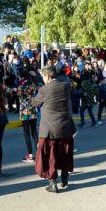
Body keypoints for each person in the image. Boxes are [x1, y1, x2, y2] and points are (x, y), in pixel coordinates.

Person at [32, 65, 74, 193]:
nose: (43, 78)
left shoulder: (44, 89)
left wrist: (31, 96)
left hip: (49, 127)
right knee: (64, 152)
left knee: (50, 155)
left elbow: (35, 103)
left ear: (48, 76)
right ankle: (65, 176)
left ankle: (53, 182)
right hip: (65, 125)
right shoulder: (66, 86)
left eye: (43, 76)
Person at [17, 71, 40, 163]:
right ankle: (40, 151)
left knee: (27, 134)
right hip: (33, 110)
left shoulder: (21, 86)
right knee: (34, 133)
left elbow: (18, 94)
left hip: (24, 112)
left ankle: (30, 155)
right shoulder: (32, 84)